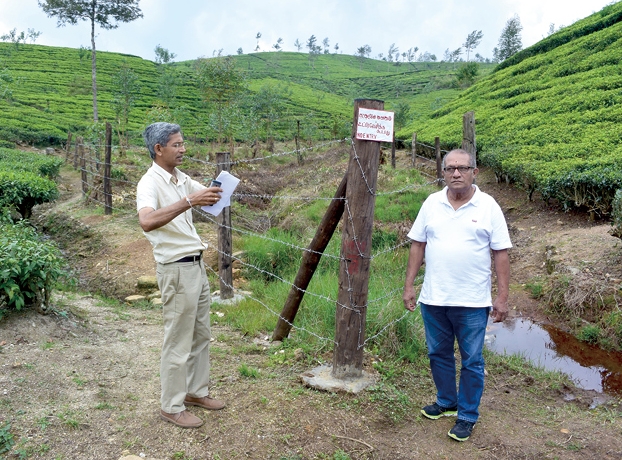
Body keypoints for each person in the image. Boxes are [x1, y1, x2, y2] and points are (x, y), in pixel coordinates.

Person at [402, 148, 512, 442]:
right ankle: (447, 401)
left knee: (472, 359)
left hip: (473, 302)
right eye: (450, 168)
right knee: (438, 353)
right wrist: (410, 285)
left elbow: (501, 252)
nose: (456, 174)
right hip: (434, 298)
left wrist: (501, 297)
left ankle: (466, 415)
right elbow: (417, 245)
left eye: (462, 168)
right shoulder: (431, 203)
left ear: (474, 172)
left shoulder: (488, 206)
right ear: (443, 173)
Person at [136, 122, 226, 428]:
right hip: (176, 269)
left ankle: (194, 391)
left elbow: (203, 195)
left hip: (196, 265)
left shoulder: (179, 178)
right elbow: (147, 221)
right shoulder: (149, 183)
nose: (183, 149)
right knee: (177, 339)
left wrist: (216, 191)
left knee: (201, 333)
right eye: (177, 145)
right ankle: (170, 406)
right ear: (159, 149)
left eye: (183, 143)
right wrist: (190, 201)